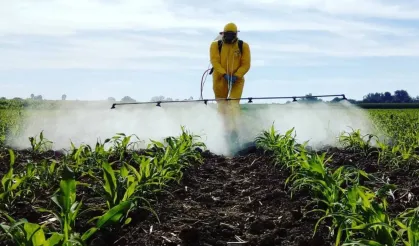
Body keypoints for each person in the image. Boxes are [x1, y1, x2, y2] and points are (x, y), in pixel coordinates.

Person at [209, 22, 251, 149]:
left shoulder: (243, 46)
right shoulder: (215, 45)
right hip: (220, 78)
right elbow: (214, 61)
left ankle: (236, 130)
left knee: (233, 104)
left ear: (236, 34)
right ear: (223, 34)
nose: (228, 37)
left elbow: (246, 64)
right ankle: (224, 130)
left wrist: (237, 75)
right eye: (226, 34)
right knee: (222, 104)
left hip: (237, 79)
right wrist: (224, 74)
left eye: (231, 35)